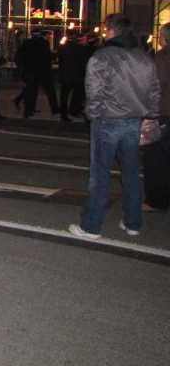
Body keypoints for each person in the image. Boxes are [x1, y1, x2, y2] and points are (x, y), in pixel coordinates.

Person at [69, 14, 161, 239]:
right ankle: (133, 223)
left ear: (111, 31)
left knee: (100, 175)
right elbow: (154, 90)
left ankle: (91, 226)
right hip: (134, 122)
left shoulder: (103, 56)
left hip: (108, 121)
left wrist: (93, 115)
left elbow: (94, 91)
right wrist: (150, 116)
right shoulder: (144, 57)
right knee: (131, 174)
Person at [143, 23, 170, 211]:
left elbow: (157, 87)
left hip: (164, 113)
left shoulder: (162, 58)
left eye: (160, 34)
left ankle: (156, 200)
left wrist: (148, 115)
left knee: (156, 159)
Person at [21, 30, 59, 118]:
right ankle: (55, 110)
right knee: (50, 91)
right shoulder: (44, 43)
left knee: (31, 92)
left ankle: (28, 111)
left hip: (30, 71)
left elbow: (22, 56)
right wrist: (55, 55)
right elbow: (47, 56)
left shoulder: (26, 43)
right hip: (43, 71)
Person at [58, 31, 88, 121]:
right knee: (76, 95)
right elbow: (83, 63)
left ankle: (63, 114)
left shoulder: (63, 47)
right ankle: (73, 110)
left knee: (64, 96)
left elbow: (60, 59)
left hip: (65, 75)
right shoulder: (80, 48)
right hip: (76, 75)